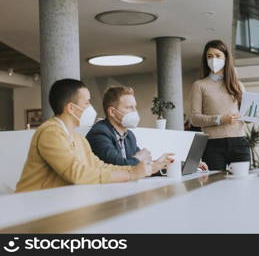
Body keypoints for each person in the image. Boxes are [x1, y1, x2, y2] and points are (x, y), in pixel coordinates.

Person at [16, 79, 172, 193]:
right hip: (33, 206)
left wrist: (147, 169)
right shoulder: (50, 132)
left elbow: (100, 166)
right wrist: (131, 173)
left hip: (55, 203)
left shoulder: (77, 138)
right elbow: (77, 174)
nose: (91, 108)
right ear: (71, 108)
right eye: (87, 103)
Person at [190, 39, 259, 170]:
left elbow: (248, 117)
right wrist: (220, 119)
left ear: (226, 58)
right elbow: (194, 118)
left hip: (239, 142)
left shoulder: (237, 85)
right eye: (209, 56)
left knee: (242, 186)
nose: (213, 59)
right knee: (216, 186)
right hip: (212, 145)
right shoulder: (199, 85)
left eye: (217, 55)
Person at [86, 86, 179, 173]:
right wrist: (139, 158)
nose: (135, 112)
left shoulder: (129, 135)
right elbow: (119, 167)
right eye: (129, 107)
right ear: (112, 112)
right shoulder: (99, 133)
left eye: (135, 107)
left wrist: (159, 164)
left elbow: (137, 165)